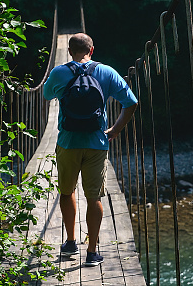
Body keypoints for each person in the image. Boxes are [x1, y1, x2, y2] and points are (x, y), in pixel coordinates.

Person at [43, 33, 137, 266]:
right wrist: (114, 129)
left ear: (68, 50)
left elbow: (46, 95)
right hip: (97, 144)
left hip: (68, 143)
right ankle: (93, 252)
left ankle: (71, 242)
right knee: (94, 196)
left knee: (67, 192)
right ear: (91, 50)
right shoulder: (106, 72)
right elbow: (132, 103)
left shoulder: (59, 73)